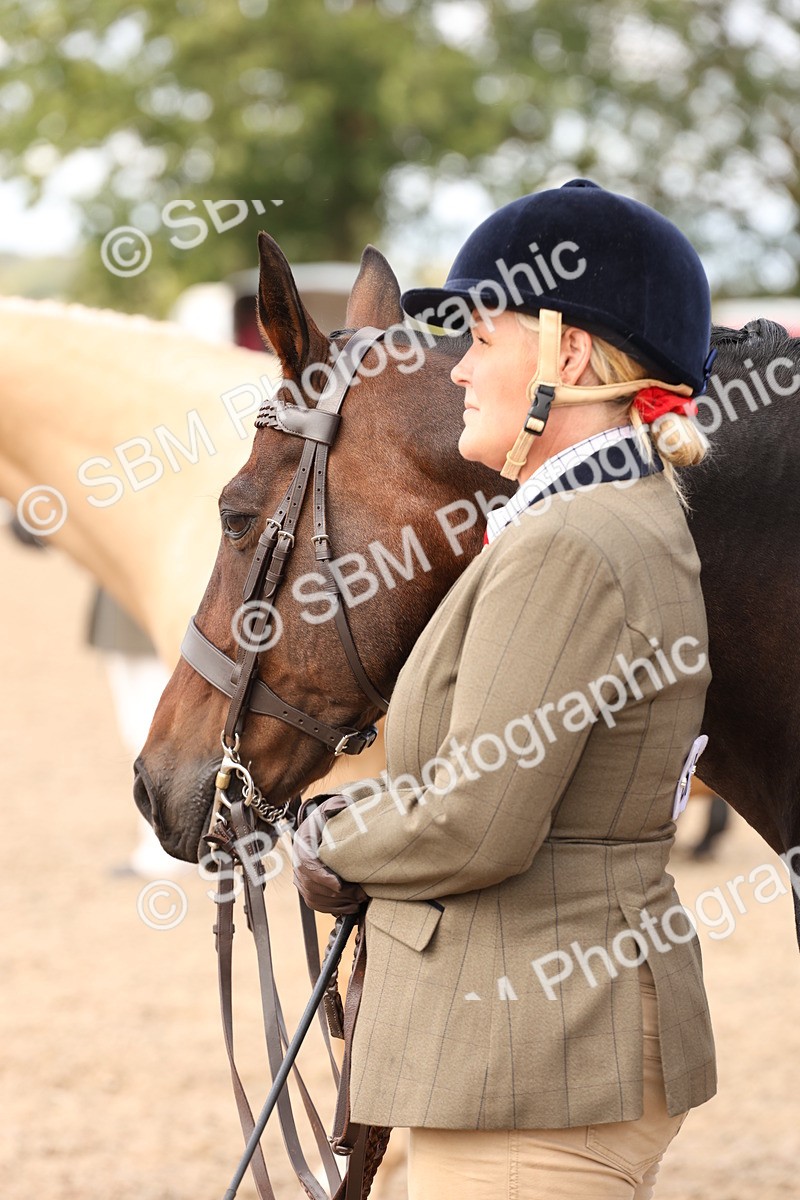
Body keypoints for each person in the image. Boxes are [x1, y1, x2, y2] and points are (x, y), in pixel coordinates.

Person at [293, 178, 717, 1199]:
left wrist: (323, 836)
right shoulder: (599, 513)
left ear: (566, 358)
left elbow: (474, 822)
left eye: (481, 341)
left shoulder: (569, 543)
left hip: (536, 1073)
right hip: (523, 1058)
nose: (459, 372)